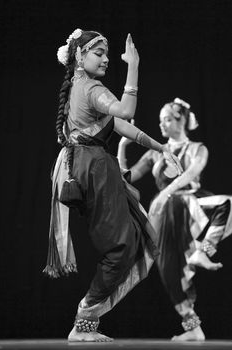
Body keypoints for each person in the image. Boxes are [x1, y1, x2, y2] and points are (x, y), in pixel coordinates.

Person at [43, 29, 182, 342]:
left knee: (132, 239)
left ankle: (86, 321)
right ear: (79, 56)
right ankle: (84, 320)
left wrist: (160, 148)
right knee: (122, 246)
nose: (105, 59)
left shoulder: (81, 88)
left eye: (107, 54)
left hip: (91, 166)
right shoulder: (90, 87)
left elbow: (120, 126)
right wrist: (133, 65)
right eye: (99, 53)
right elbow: (126, 111)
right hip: (94, 168)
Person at [117, 98, 232, 341]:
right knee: (170, 270)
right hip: (164, 217)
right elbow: (126, 177)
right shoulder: (154, 153)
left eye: (167, 119)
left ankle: (204, 250)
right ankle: (193, 329)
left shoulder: (197, 148)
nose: (162, 125)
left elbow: (191, 173)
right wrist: (123, 146)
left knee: (227, 204)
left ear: (180, 119)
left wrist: (166, 193)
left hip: (188, 204)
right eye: (160, 121)